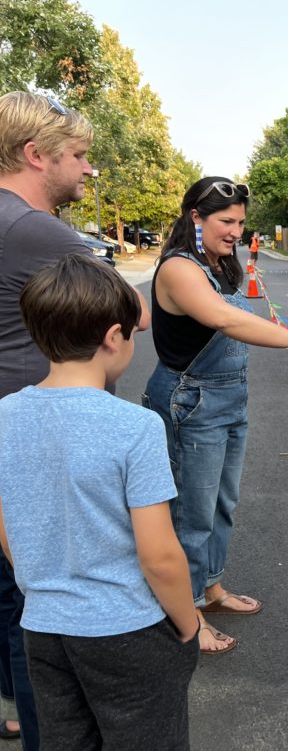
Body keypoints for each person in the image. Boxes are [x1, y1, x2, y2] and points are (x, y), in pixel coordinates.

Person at [0, 90, 151, 750]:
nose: (89, 171)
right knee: (43, 613)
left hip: (16, 430)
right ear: (36, 155)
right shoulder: (35, 228)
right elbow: (128, 311)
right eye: (80, 156)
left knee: (15, 604)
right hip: (44, 442)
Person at [0, 255, 199, 749]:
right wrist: (188, 624)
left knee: (66, 741)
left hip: (43, 627)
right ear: (114, 337)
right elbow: (160, 555)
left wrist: (42, 588)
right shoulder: (135, 427)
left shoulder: (4, 415)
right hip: (127, 629)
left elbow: (7, 527)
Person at [144, 177, 288, 654]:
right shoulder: (178, 269)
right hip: (192, 400)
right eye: (226, 221)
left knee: (221, 505)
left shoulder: (222, 265)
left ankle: (211, 588)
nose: (235, 231)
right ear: (195, 218)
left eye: (241, 222)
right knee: (192, 512)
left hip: (228, 399)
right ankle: (187, 615)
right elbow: (225, 319)